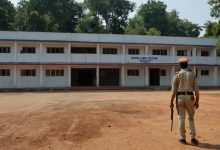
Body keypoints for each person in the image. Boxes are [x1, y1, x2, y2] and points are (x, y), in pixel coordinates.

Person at [170, 57, 199, 145]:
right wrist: (197, 100)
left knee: (181, 117)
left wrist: (171, 100)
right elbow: (196, 89)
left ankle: (183, 138)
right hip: (190, 97)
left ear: (180, 65)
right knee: (191, 118)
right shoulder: (192, 75)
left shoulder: (177, 75)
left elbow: (173, 89)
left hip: (180, 97)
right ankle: (193, 138)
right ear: (187, 65)